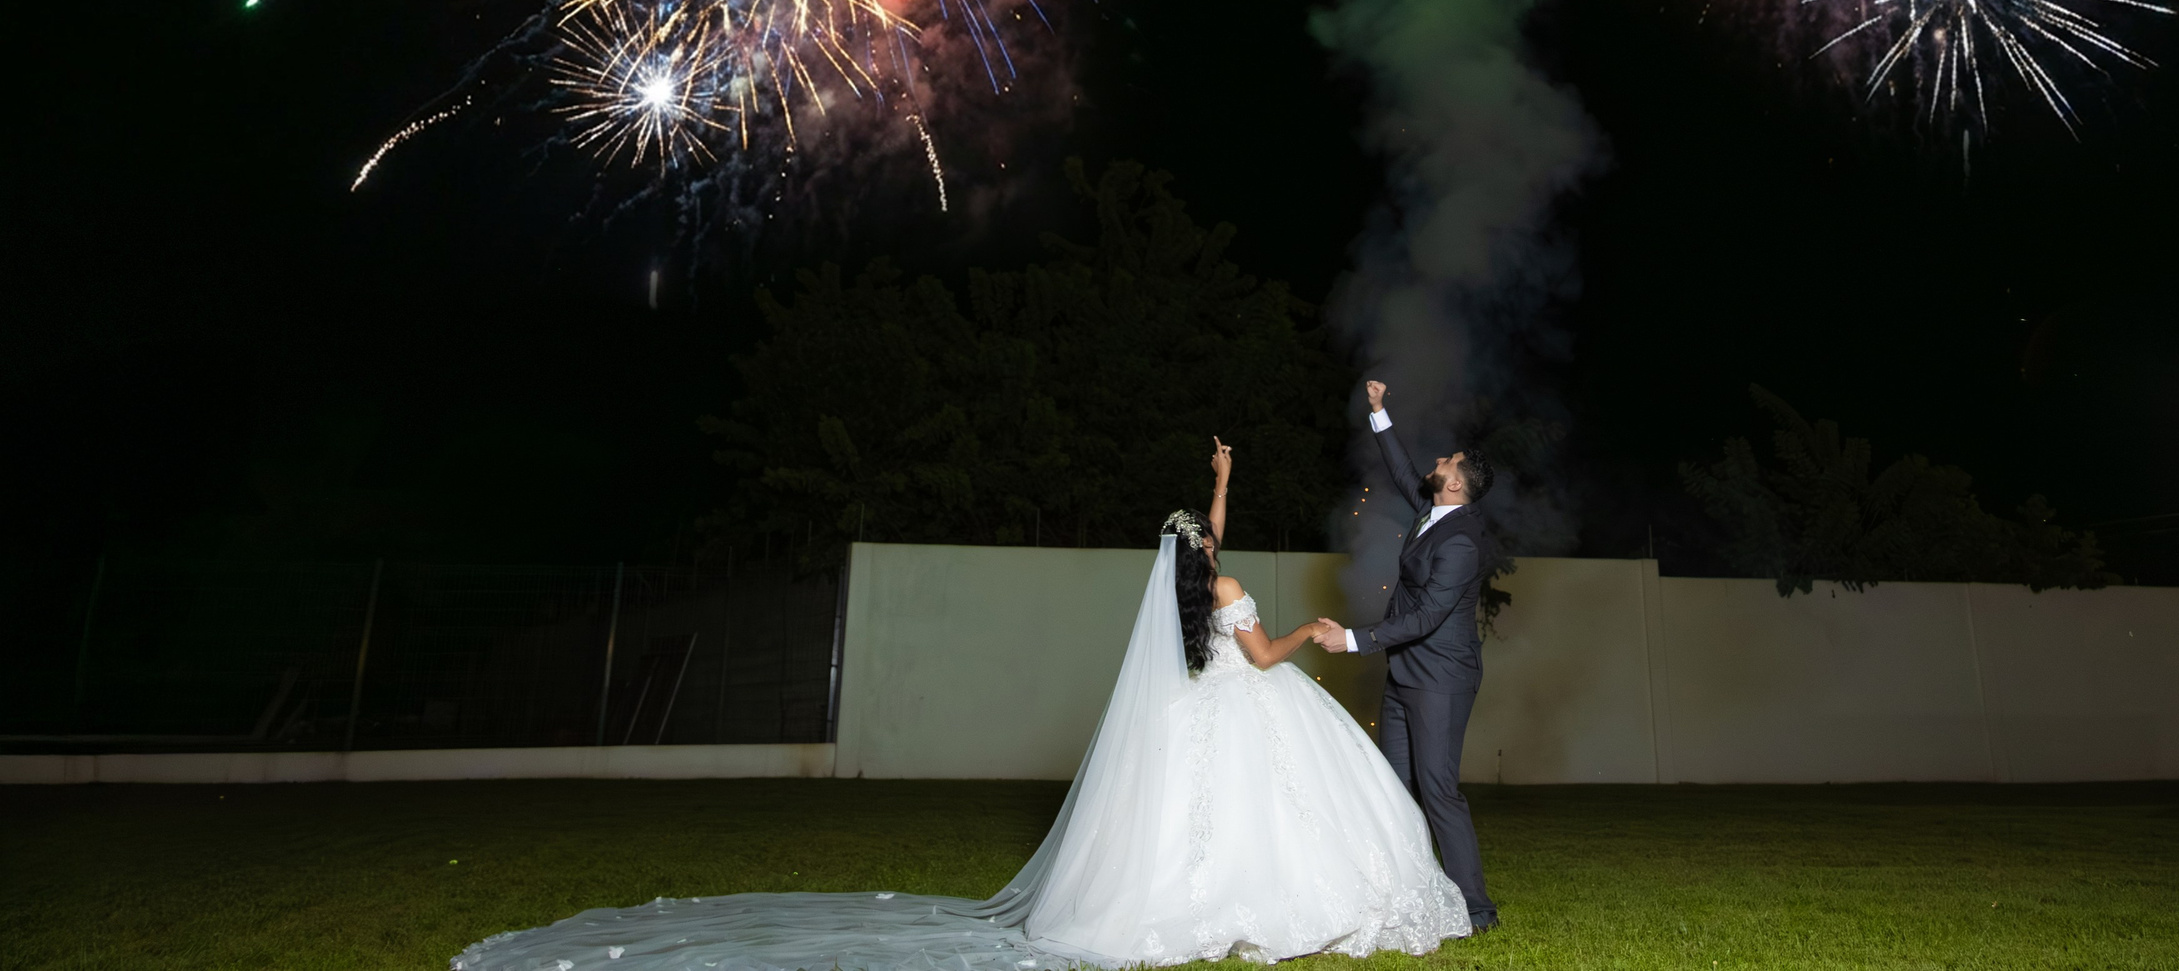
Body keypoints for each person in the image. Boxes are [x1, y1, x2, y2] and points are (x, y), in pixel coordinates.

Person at [453, 437, 1469, 971]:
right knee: (1281, 814)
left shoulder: (1183, 590)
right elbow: (1255, 662)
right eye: (1209, 528)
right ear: (1207, 557)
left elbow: (1202, 539)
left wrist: (1221, 476)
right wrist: (1310, 639)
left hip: (1197, 710)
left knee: (1185, 825)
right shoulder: (1235, 594)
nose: (1210, 533)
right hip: (1247, 696)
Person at [1311, 380, 1498, 934]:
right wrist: (1378, 412)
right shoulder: (1432, 511)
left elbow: (1426, 619)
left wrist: (1350, 640)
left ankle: (1478, 912)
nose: (1438, 460)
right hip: (1405, 675)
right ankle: (1401, 896)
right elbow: (1401, 470)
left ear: (1457, 483)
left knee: (1439, 792)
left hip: (1440, 680)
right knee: (1392, 789)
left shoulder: (1461, 541)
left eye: (1448, 460)